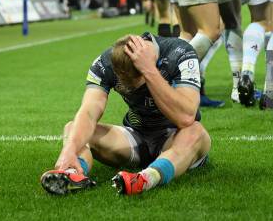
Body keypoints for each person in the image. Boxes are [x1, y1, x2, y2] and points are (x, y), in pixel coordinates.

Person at [40, 33, 210, 196]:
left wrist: (150, 70)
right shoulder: (105, 62)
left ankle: (146, 179)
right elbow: (89, 111)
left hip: (175, 139)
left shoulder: (180, 53)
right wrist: (70, 148)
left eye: (131, 84)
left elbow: (186, 116)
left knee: (196, 131)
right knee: (73, 129)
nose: (124, 86)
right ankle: (72, 174)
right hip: (137, 139)